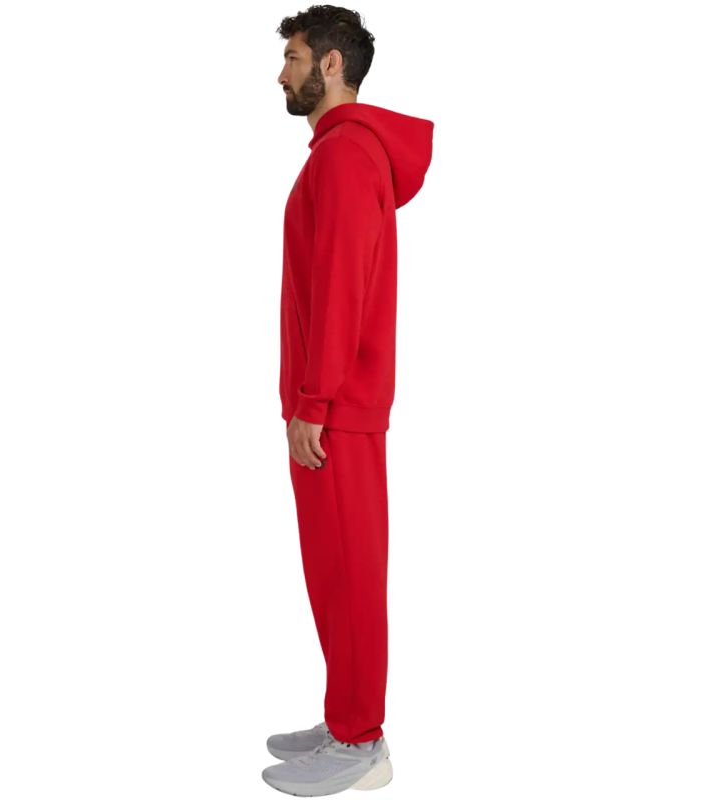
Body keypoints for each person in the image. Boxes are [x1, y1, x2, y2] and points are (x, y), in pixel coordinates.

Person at [262, 5, 434, 795]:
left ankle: (361, 742)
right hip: (335, 404)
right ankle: (345, 716)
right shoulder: (343, 152)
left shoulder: (344, 156)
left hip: (336, 409)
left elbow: (339, 291)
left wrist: (314, 400)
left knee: (351, 573)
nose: (282, 74)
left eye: (294, 58)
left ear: (332, 65)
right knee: (334, 572)